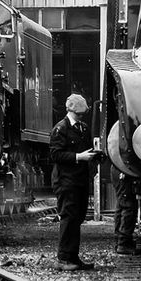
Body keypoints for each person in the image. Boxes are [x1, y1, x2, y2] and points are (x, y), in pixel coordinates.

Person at [50, 94, 97, 271]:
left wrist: (94, 156)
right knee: (68, 217)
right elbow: (55, 155)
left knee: (77, 218)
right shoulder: (60, 129)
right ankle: (63, 258)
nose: (81, 117)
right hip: (65, 180)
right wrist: (80, 157)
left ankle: (72, 257)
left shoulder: (83, 128)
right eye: (79, 114)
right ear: (72, 111)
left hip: (79, 180)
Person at [111, 164, 139, 255]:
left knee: (122, 204)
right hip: (123, 169)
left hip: (120, 168)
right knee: (128, 206)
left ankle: (120, 241)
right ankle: (123, 244)